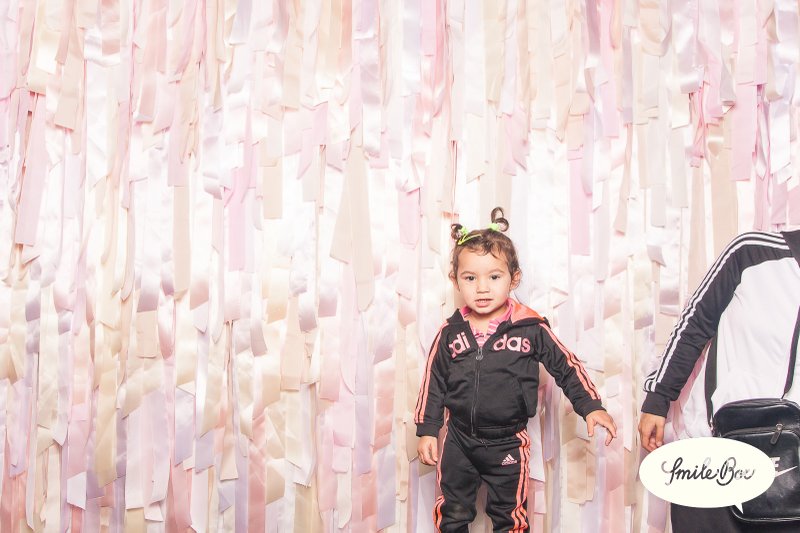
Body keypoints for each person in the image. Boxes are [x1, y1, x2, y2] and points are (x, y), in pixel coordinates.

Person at [415, 207, 617, 532]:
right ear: (455, 280)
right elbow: (433, 383)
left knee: (510, 518)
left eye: (494, 277)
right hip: (459, 440)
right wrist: (427, 429)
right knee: (452, 513)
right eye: (470, 278)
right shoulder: (450, 333)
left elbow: (566, 366)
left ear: (514, 278)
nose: (482, 288)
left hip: (508, 442)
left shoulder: (530, 327)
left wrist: (591, 406)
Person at [639, 229, 800, 532]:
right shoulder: (752, 252)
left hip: (790, 469)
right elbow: (694, 323)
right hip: (713, 453)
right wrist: (658, 398)